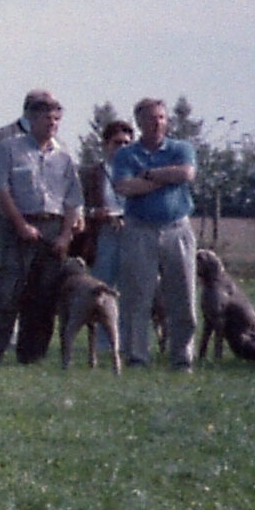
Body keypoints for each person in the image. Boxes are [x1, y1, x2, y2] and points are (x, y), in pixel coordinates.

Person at [0, 89, 82, 363]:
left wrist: (65, 236)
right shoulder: (8, 148)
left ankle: (32, 355)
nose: (52, 124)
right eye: (47, 118)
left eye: (56, 119)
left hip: (53, 227)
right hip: (18, 226)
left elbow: (73, 199)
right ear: (31, 119)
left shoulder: (64, 155)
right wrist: (20, 225)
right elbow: (0, 188)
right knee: (8, 290)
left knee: (44, 295)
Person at [110, 96, 199, 369]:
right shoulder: (126, 154)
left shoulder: (181, 148)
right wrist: (165, 179)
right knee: (137, 295)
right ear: (139, 122)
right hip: (139, 229)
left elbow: (186, 173)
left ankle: (182, 358)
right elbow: (124, 187)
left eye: (161, 117)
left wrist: (147, 175)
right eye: (151, 118)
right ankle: (137, 356)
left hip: (177, 228)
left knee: (183, 294)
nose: (157, 123)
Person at [77, 116, 135, 288]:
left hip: (134, 232)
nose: (122, 147)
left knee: (133, 287)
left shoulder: (140, 172)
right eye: (117, 143)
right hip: (104, 232)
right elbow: (76, 207)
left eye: (126, 143)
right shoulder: (90, 174)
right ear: (105, 144)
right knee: (101, 286)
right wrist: (95, 213)